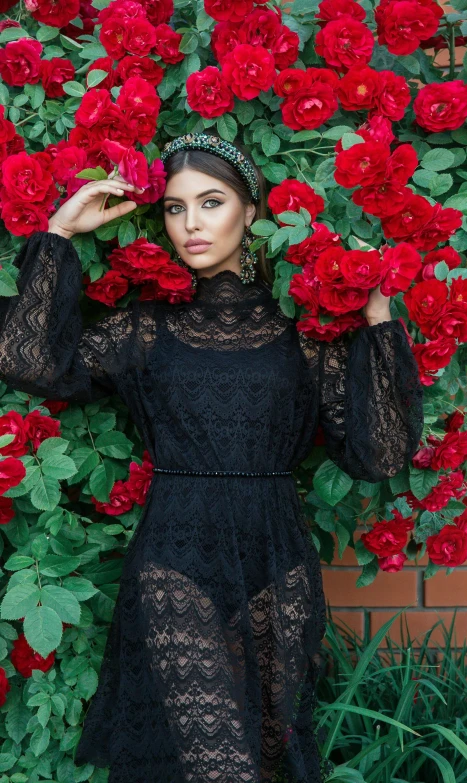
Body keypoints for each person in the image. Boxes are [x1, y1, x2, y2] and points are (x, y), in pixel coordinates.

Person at [0, 132, 424, 783]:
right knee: (216, 764)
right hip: (176, 557)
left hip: (275, 562)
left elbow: (382, 453)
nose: (192, 223)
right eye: (174, 207)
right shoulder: (146, 331)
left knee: (267, 760)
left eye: (211, 201)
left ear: (251, 211)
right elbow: (27, 360)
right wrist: (59, 230)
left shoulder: (305, 335)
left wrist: (375, 312)